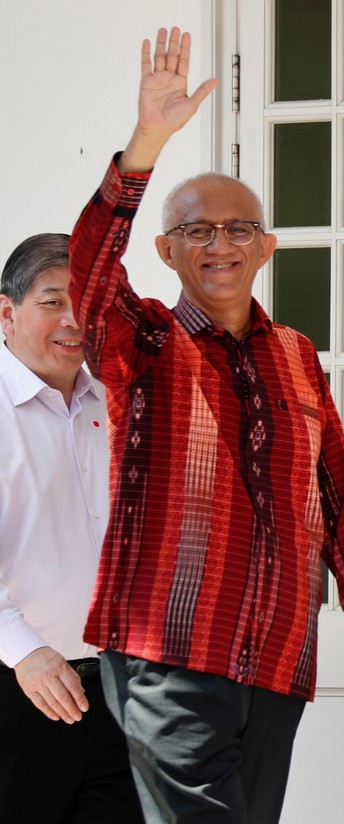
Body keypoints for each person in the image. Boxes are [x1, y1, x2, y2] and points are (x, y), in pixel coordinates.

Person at [68, 27, 344, 824]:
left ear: (266, 246)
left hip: (276, 665)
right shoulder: (145, 340)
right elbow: (87, 281)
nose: (220, 244)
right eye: (198, 230)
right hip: (172, 654)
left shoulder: (296, 356)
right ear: (166, 248)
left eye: (237, 230)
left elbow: (340, 506)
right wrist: (146, 143)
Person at [0, 233, 144, 823]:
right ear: (6, 313)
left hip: (117, 689)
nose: (74, 321)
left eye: (86, 303)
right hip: (18, 689)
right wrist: (25, 652)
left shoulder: (113, 405)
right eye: (53, 301)